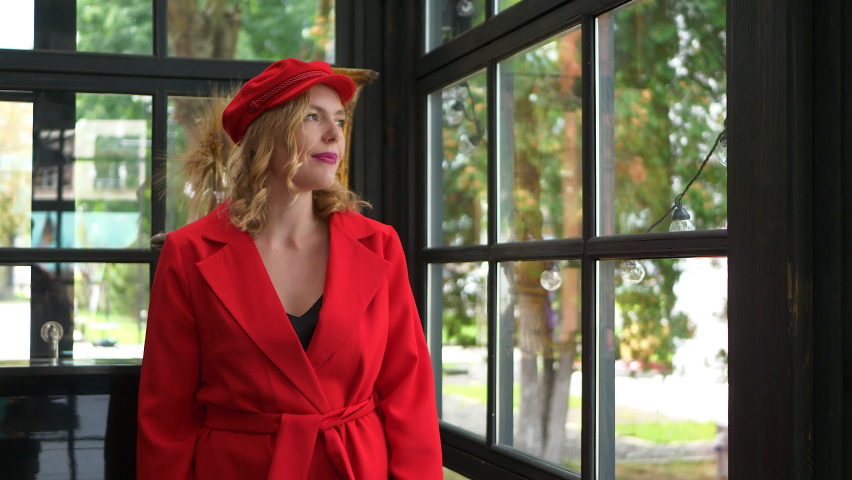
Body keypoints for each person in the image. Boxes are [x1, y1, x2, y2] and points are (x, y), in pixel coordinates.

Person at [137, 58, 443, 480]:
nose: (335, 133)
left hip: (354, 466)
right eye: (313, 117)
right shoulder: (189, 253)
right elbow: (166, 413)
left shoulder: (379, 245)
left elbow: (408, 396)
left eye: (339, 119)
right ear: (268, 132)